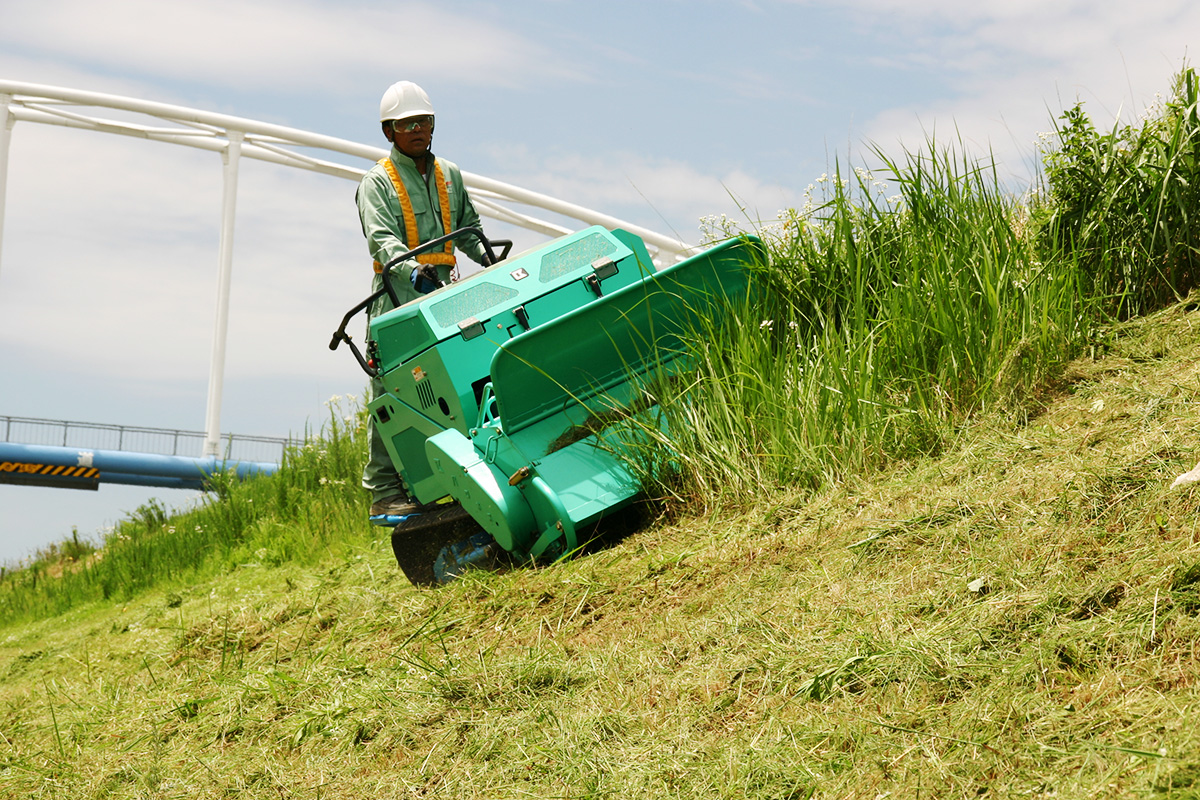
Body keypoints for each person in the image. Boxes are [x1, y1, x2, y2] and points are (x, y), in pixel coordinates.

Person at [356, 80, 489, 524]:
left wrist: (489, 260)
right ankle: (384, 492)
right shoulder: (376, 182)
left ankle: (454, 471)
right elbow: (382, 239)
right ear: (389, 131)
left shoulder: (450, 174)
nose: (417, 129)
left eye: (424, 121)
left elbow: (469, 227)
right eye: (407, 123)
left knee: (457, 382)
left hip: (446, 296)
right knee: (394, 394)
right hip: (398, 301)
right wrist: (411, 270)